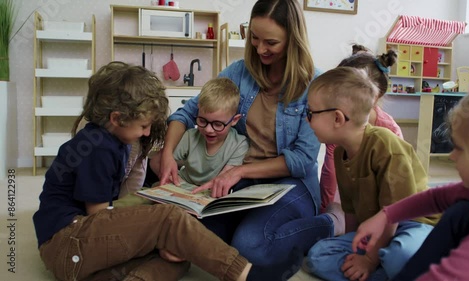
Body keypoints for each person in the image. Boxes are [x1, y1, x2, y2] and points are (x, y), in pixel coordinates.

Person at [152, 0, 335, 278]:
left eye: (271, 42)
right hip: (243, 183)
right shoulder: (239, 72)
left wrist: (240, 171)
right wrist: (168, 155)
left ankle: (328, 224)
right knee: (189, 233)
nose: (260, 49)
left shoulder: (314, 84)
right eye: (255, 38)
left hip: (290, 184)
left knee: (250, 246)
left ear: (293, 40)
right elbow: (188, 112)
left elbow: (301, 160)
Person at [32, 61, 264, 281]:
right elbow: (98, 215)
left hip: (81, 257)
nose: (146, 133)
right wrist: (152, 217)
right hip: (69, 241)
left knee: (179, 255)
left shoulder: (113, 142)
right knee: (169, 219)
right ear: (117, 118)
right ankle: (243, 273)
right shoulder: (97, 146)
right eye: (144, 126)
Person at [352, 83, 469, 281]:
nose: (452, 156)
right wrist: (386, 216)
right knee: (460, 211)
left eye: (459, 149)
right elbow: (437, 197)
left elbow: (451, 275)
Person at [305, 67, 439, 281]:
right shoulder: (341, 152)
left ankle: (390, 266)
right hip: (375, 229)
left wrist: (368, 260)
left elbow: (394, 214)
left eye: (310, 113)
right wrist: (355, 247)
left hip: (411, 222)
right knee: (317, 256)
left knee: (400, 257)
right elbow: (350, 212)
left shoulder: (384, 144)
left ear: (338, 119)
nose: (306, 120)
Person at [320, 45, 403, 214]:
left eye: (345, 95)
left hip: (385, 208)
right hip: (348, 202)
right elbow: (330, 175)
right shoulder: (337, 125)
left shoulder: (389, 131)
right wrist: (325, 210)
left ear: (374, 96)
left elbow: (396, 189)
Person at [171, 77, 248, 187]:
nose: (208, 130)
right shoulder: (190, 136)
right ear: (198, 110)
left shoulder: (239, 145)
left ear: (234, 120)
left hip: (210, 192)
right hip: (183, 185)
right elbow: (170, 164)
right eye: (202, 121)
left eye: (217, 124)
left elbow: (222, 181)